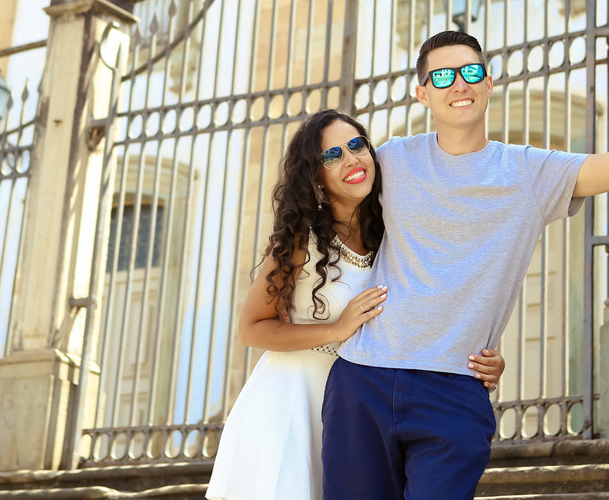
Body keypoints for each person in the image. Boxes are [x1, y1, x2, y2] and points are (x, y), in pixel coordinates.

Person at [324, 30, 609, 500]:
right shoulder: (392, 159)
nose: (459, 84)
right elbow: (326, 213)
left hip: (454, 389)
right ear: (423, 93)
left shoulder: (529, 172)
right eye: (441, 76)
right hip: (363, 378)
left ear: (488, 82)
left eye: (471, 72)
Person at [206, 109, 505, 500]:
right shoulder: (301, 240)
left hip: (364, 408)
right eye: (332, 156)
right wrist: (336, 329)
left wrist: (483, 358)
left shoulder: (394, 232)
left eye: (356, 145)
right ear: (316, 175)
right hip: (294, 401)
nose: (350, 159)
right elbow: (251, 328)